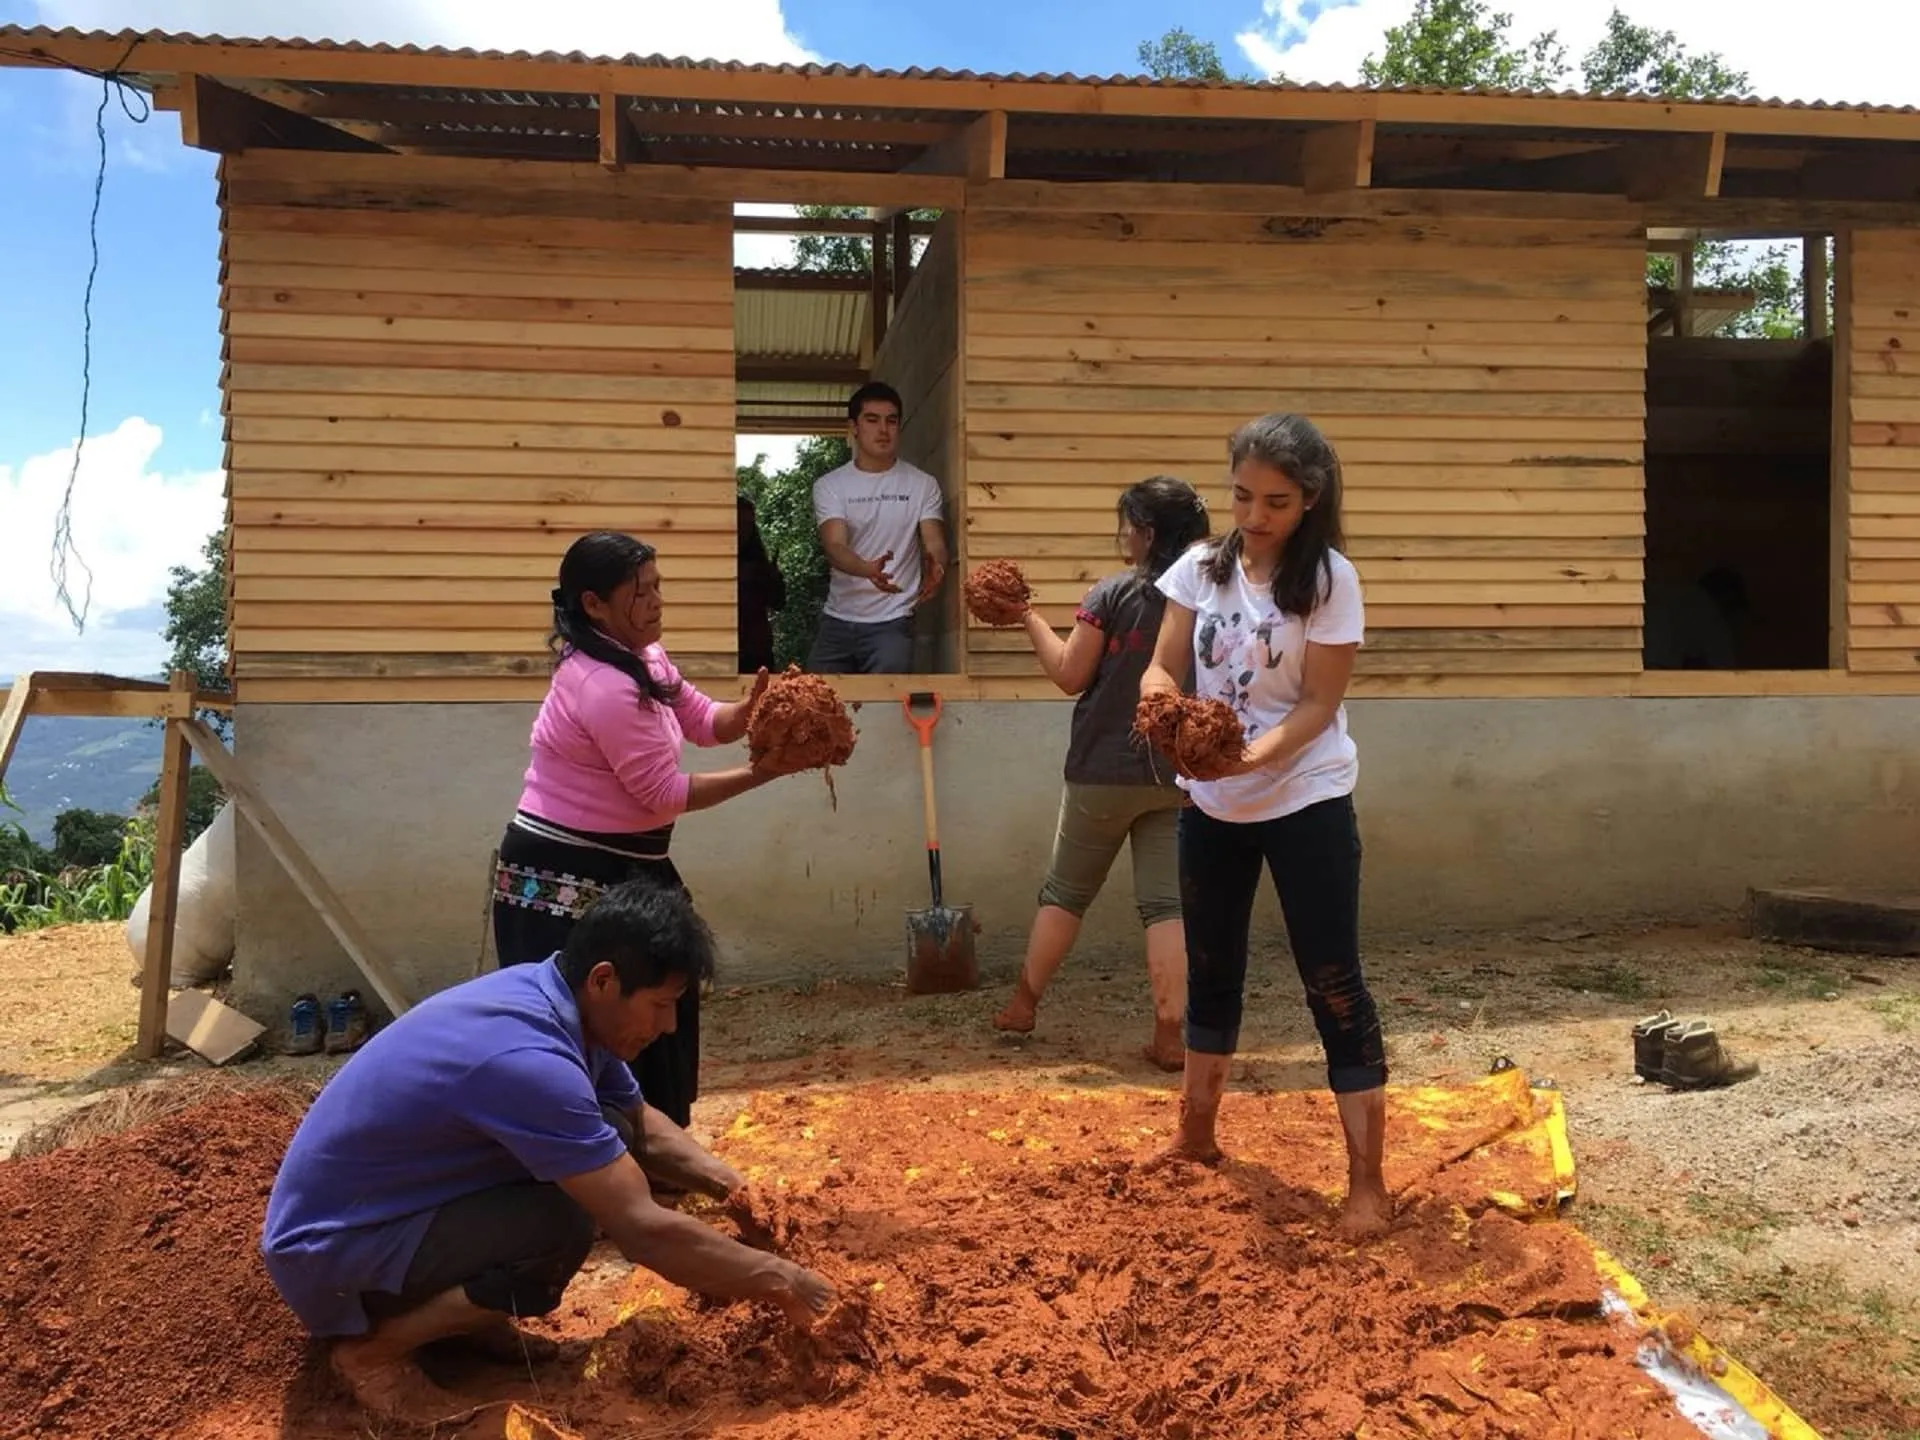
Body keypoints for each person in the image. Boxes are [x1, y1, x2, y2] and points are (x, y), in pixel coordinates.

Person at [261, 880, 836, 1423]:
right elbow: (639, 1228)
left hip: (383, 1212)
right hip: (331, 1251)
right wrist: (782, 1280)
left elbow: (638, 1122)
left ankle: (461, 1324)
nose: (666, 1026)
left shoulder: (557, 998)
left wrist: (738, 1191)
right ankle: (373, 1352)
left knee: (611, 1129)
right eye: (661, 1004)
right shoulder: (528, 1060)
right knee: (559, 1227)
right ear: (605, 981)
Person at [1140, 413, 1392, 1240]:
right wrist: (1155, 698)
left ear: (1310, 499)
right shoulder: (1198, 569)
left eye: (1275, 502)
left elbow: (1319, 704)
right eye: (1242, 497)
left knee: (1331, 977)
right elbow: (1164, 660)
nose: (1254, 516)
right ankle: (1196, 1137)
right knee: (1212, 967)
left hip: (1305, 798)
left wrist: (1247, 758)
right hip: (1213, 803)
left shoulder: (1329, 581)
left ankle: (1366, 1183)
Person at [492, 531, 805, 1131]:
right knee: (597, 1019)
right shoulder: (603, 684)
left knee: (662, 995)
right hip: (562, 873)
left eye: (659, 586)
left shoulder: (644, 658)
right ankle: (592, 1159)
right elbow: (662, 794)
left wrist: (754, 710)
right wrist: (764, 773)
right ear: (594, 605)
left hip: (626, 863)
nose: (657, 602)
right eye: (641, 592)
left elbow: (704, 720)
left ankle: (653, 1147)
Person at [991, 476, 1211, 1070]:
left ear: (1144, 532)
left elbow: (1069, 674)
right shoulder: (1210, 598)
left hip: (1099, 770)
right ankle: (1171, 1032)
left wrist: (1027, 616)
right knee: (1166, 906)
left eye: (1126, 525)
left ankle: (1022, 1004)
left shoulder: (1113, 594)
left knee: (1066, 893)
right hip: (1176, 774)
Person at [806, 381, 949, 673]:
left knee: (887, 712)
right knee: (814, 710)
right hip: (837, 621)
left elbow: (934, 542)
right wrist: (867, 570)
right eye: (872, 420)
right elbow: (834, 546)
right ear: (854, 427)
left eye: (891, 421)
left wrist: (937, 567)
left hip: (893, 624)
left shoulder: (922, 484)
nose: (883, 430)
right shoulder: (830, 485)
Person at [736, 494, 786, 674]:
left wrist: (772, 578)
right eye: (739, 523)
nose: (744, 530)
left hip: (756, 648)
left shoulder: (757, 560)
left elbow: (779, 602)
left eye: (749, 524)